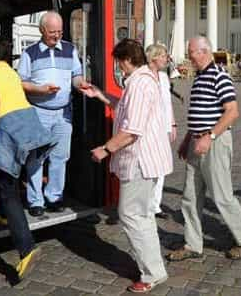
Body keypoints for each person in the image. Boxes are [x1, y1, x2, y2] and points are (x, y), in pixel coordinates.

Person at [90, 39, 172, 293]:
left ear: (125, 60)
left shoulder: (139, 83)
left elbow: (132, 130)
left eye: (119, 63)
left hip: (140, 160)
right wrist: (100, 94)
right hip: (146, 159)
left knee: (132, 215)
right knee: (141, 215)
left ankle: (152, 272)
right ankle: (154, 268)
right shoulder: (145, 80)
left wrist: (105, 149)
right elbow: (126, 109)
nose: (119, 68)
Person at [167, 36, 241, 262]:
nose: (188, 56)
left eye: (191, 52)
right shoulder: (199, 78)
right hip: (197, 142)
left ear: (204, 52)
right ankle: (193, 244)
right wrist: (188, 140)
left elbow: (232, 111)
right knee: (190, 196)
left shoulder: (219, 75)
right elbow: (198, 115)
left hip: (214, 143)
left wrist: (211, 136)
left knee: (221, 195)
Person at [0, 36, 51, 282]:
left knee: (8, 187)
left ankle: (26, 249)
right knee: (0, 169)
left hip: (9, 126)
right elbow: (20, 90)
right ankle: (2, 213)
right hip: (29, 124)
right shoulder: (10, 71)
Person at [19, 11, 98, 216]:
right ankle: (35, 201)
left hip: (64, 113)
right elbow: (21, 83)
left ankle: (54, 197)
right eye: (53, 32)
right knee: (36, 158)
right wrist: (41, 90)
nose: (57, 35)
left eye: (60, 31)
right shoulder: (30, 53)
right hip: (39, 112)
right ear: (42, 30)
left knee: (60, 157)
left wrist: (80, 84)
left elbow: (76, 74)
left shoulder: (70, 49)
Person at [146, 43, 177, 219]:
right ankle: (145, 202)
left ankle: (155, 205)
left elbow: (167, 103)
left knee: (162, 167)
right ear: (154, 57)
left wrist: (172, 124)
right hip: (149, 127)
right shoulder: (143, 76)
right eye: (164, 56)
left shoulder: (164, 77)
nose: (167, 59)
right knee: (149, 166)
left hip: (164, 126)